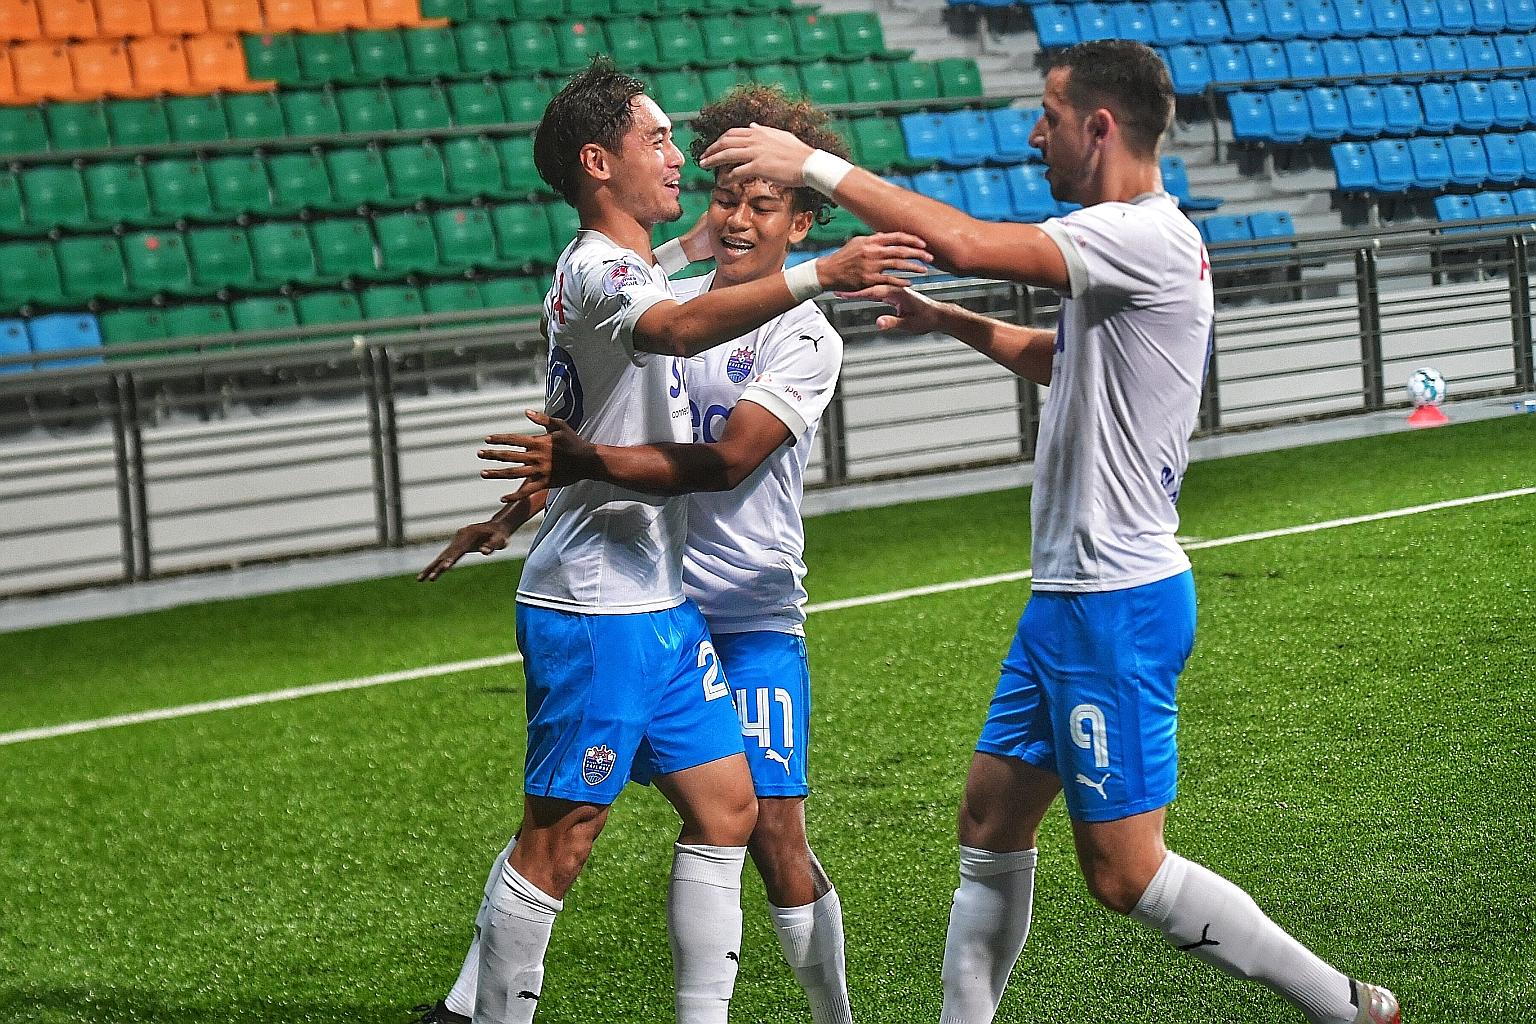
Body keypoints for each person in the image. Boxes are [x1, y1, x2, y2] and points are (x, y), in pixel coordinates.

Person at [698, 39, 1401, 1024]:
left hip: (1115, 603)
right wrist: (954, 324)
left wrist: (807, 162)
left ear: (1099, 128)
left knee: (1124, 874)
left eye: (1051, 115)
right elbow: (1060, 353)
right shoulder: (1133, 243)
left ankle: (1343, 1005)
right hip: (1069, 602)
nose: (1037, 132)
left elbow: (971, 241)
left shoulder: (1137, 233)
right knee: (990, 821)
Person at [412, 58, 929, 1024]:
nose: (716, 202)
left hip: (712, 608)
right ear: (600, 161)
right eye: (667, 146)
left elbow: (656, 438)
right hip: (613, 598)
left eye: (755, 202)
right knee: (563, 832)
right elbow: (672, 336)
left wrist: (539, 490)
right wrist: (828, 264)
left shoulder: (772, 321)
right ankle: (478, 1011)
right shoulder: (623, 274)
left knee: (744, 817)